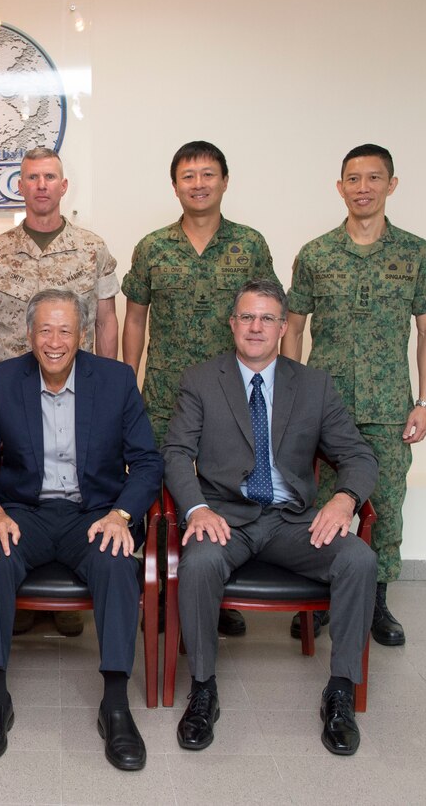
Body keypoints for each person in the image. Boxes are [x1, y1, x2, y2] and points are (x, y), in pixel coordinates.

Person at [163, 279, 377, 756]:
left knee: (358, 560)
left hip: (293, 522)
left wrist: (344, 499)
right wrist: (197, 508)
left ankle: (339, 692)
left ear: (283, 327)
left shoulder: (315, 386)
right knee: (196, 563)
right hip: (225, 519)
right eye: (246, 317)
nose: (255, 327)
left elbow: (359, 456)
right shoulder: (200, 380)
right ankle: (203, 691)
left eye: (266, 318)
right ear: (231, 323)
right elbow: (176, 452)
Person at [0, 289, 163, 770]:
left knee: (117, 562)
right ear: (29, 335)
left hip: (93, 514)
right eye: (45, 330)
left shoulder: (115, 381)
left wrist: (122, 517)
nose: (55, 341)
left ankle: (115, 703)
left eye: (66, 330)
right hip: (22, 512)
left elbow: (148, 463)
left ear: (83, 335)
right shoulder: (4, 380)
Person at [282, 144, 426, 646]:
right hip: (324, 407)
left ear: (391, 184)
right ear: (340, 187)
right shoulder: (316, 253)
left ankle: (377, 602)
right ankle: (323, 596)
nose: (363, 188)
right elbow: (292, 326)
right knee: (322, 504)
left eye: (374, 178)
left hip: (390, 406)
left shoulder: (416, 253)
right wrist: (291, 392)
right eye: (353, 179)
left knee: (387, 507)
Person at [122, 140, 278, 638]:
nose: (198, 183)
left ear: (225, 181)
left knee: (224, 487)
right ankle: (162, 594)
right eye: (188, 176)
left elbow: (270, 314)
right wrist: (129, 381)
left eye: (208, 174)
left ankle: (216, 586)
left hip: (233, 397)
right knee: (162, 492)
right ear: (175, 186)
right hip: (166, 392)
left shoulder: (250, 244)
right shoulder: (152, 246)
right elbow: (135, 319)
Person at [0, 146, 120, 637]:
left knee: (72, 488)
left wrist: (109, 391)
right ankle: (25, 598)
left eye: (49, 177)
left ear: (63, 186)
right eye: (31, 177)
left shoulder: (93, 248)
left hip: (77, 393)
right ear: (20, 186)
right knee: (21, 496)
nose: (40, 185)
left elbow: (105, 319)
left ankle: (65, 603)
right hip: (12, 401)